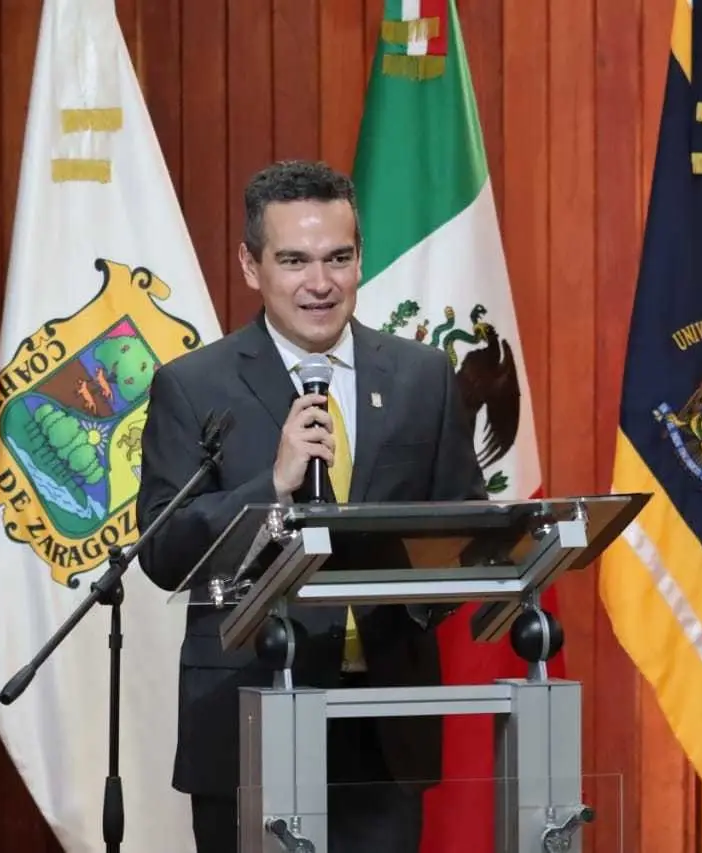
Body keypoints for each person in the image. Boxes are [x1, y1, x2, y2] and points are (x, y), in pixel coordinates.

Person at [136, 159, 486, 853]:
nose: (320, 283)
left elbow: (467, 528)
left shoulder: (421, 378)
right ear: (250, 264)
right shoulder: (193, 385)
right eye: (294, 260)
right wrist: (272, 486)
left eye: (338, 258)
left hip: (383, 723)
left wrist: (412, 602)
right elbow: (164, 554)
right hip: (249, 717)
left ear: (360, 259)